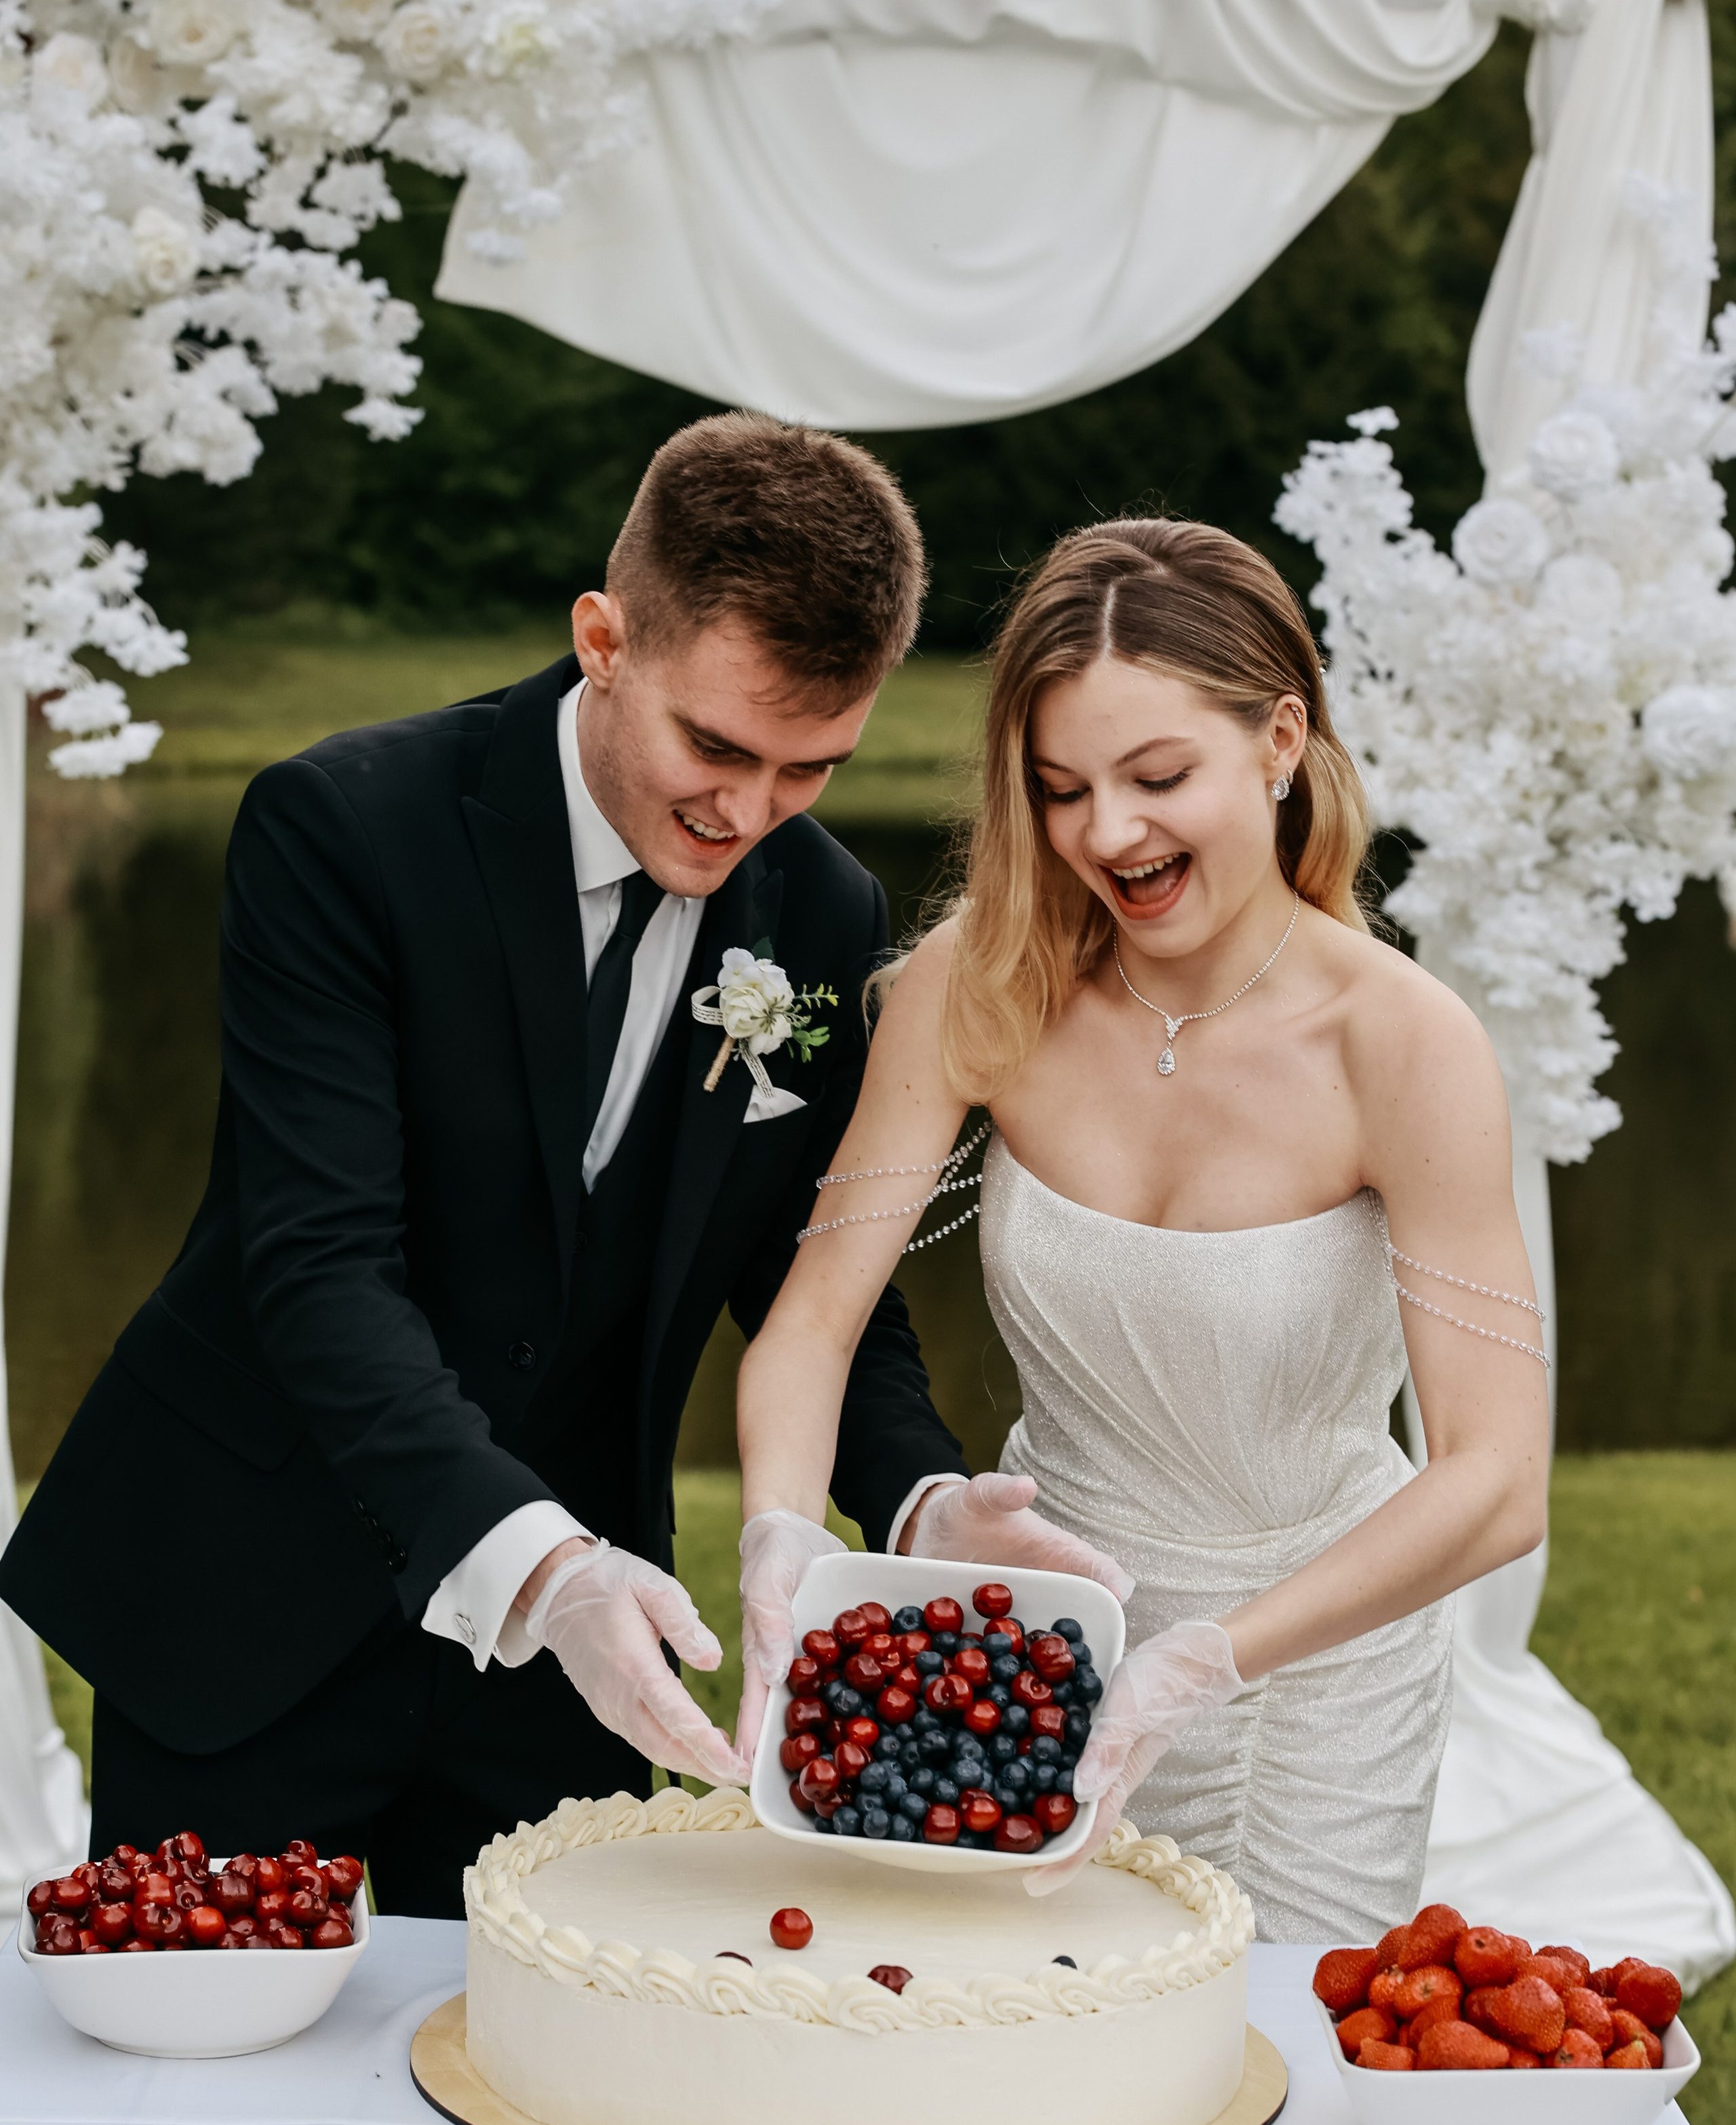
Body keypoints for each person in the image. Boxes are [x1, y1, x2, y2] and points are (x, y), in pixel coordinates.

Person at [0, 416, 1120, 1914]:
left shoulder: (824, 913)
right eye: (715, 746)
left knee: (534, 2093)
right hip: (254, 1597)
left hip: (565, 1683)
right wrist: (545, 1573)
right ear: (603, 639)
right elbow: (318, 1269)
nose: (746, 815)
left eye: (810, 767)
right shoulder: (343, 830)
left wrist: (918, 1501)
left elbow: (810, 1281)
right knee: (204, 2068)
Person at [737, 518, 1552, 1943]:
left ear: (1279, 742)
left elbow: (1494, 1480)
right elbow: (811, 1324)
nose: (1107, 834)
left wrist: (1209, 1663)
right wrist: (773, 1537)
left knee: (1271, 2086)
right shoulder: (972, 984)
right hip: (1039, 1660)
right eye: (1060, 790)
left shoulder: (1403, 1044)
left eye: (1157, 776)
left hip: (1320, 1679)